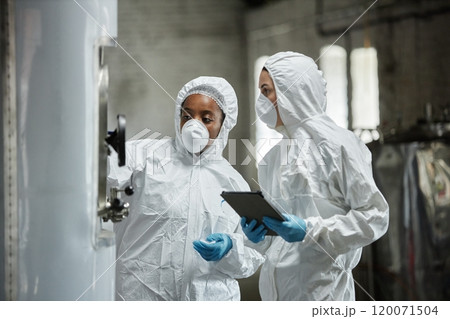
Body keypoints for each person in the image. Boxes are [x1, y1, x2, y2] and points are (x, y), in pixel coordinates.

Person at [241, 51, 389, 300]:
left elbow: (375, 216)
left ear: (293, 91)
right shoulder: (273, 157)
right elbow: (278, 236)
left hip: (323, 295)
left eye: (266, 91)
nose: (261, 100)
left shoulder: (339, 146)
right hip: (277, 296)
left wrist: (311, 231)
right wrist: (258, 235)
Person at [108, 76, 264, 301]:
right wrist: (108, 147)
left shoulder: (232, 183)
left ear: (224, 124)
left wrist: (230, 248)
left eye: (206, 118)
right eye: (187, 116)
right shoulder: (144, 157)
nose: (194, 126)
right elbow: (105, 165)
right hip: (141, 296)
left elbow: (251, 255)